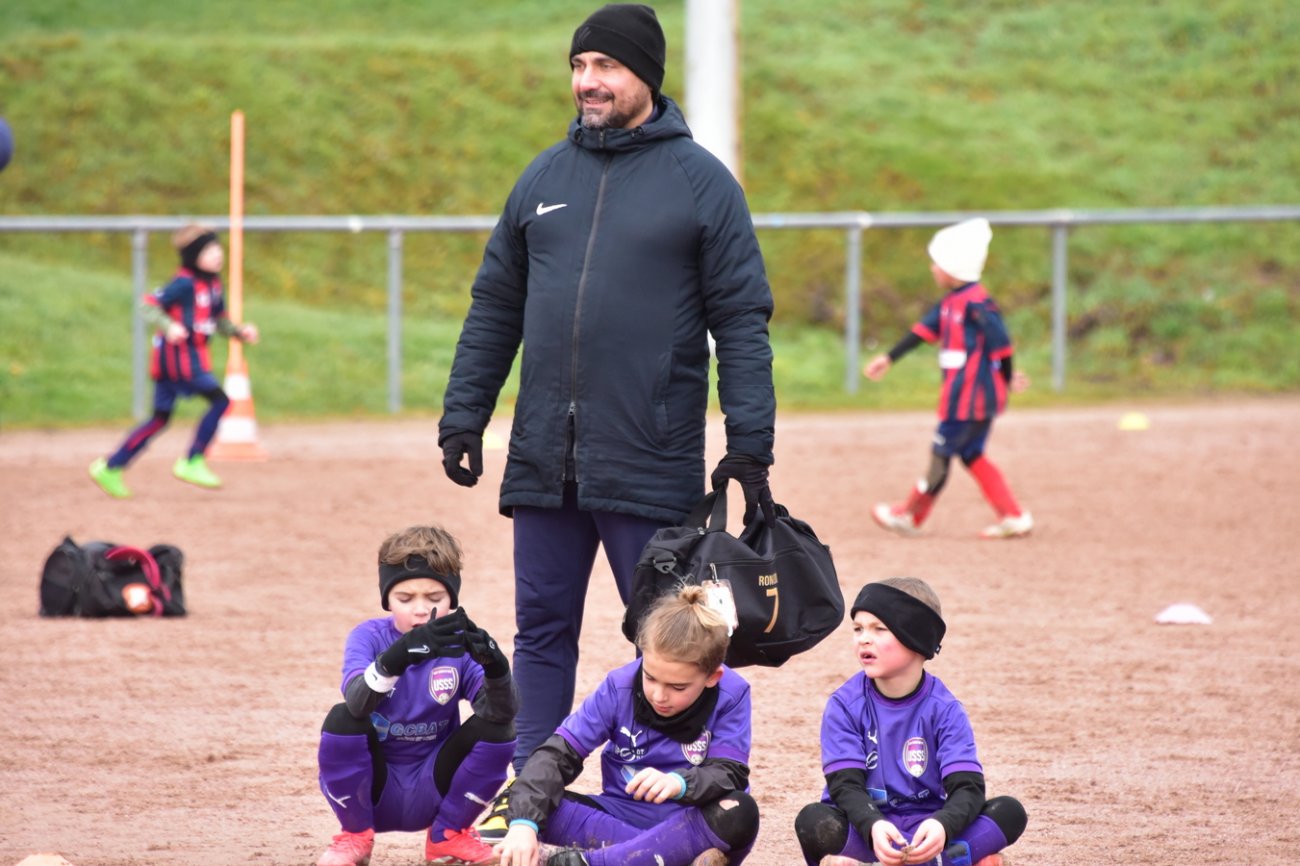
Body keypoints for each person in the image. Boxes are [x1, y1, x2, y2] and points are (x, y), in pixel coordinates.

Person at [438, 3, 777, 777]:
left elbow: (741, 319)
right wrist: (465, 413)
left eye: (606, 67)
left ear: (645, 76)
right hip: (543, 457)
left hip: (648, 453)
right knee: (539, 631)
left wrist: (750, 444)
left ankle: (658, 787)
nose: (587, 81)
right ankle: (531, 788)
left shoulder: (701, 183)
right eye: (579, 65)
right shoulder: (542, 177)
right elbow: (495, 305)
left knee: (666, 637)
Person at [493, 585, 759, 866]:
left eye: (677, 687)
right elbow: (557, 755)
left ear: (712, 677)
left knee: (739, 811)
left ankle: (589, 862)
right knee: (521, 800)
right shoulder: (619, 686)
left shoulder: (732, 693)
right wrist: (523, 825)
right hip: (621, 817)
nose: (659, 695)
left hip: (692, 822)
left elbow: (728, 773)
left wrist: (680, 783)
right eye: (650, 677)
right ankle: (658, 858)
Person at [315, 525, 519, 866]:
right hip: (372, 791)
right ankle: (355, 837)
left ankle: (447, 836)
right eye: (405, 599)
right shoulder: (368, 636)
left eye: (435, 598)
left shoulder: (459, 645)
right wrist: (397, 657)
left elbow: (501, 714)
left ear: (452, 598)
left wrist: (497, 669)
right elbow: (357, 704)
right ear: (387, 599)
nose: (421, 610)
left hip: (436, 787)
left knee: (500, 729)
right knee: (341, 718)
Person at [793, 578, 1027, 866]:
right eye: (858, 629)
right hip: (868, 829)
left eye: (879, 629)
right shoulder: (844, 704)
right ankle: (950, 860)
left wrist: (942, 826)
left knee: (1009, 812)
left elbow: (968, 787)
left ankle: (913, 860)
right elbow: (845, 786)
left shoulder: (945, 709)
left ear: (916, 638)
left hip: (926, 833)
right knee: (813, 820)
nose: (864, 638)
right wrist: (873, 825)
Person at [862, 218, 1033, 539]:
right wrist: (889, 358)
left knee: (941, 455)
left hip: (969, 400)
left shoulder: (978, 304)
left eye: (937, 263)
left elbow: (1002, 346)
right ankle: (1013, 515)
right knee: (971, 453)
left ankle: (909, 515)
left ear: (954, 268)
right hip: (965, 399)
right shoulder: (951, 303)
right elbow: (920, 332)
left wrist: (1008, 376)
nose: (932, 268)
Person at [88, 223, 259, 498]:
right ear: (194, 256)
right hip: (179, 360)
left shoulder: (214, 284)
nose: (217, 254)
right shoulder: (183, 283)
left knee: (159, 418)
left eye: (217, 248)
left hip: (181, 361)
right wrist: (169, 325)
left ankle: (111, 467)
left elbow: (218, 320)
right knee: (220, 401)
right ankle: (192, 460)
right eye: (209, 250)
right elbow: (148, 304)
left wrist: (239, 332)